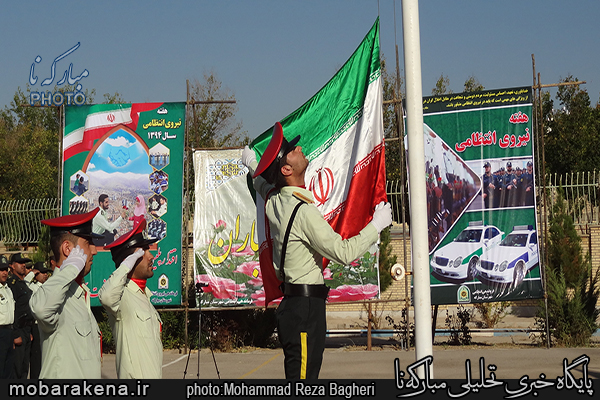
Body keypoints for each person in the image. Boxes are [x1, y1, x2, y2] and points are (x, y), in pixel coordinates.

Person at [241, 122, 391, 379]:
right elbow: (343, 252)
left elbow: (262, 186)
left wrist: (253, 165)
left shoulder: (276, 202)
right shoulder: (304, 213)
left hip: (297, 306)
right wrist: (375, 226)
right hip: (304, 311)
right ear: (287, 169)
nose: (298, 147)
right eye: (291, 150)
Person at [29, 208, 103, 379]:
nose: (94, 251)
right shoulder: (56, 297)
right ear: (68, 249)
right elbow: (40, 308)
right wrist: (70, 269)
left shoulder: (77, 293)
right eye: (88, 243)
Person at [99, 219, 162, 379]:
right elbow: (106, 297)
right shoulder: (123, 297)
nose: (151, 256)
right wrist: (125, 267)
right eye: (144, 251)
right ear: (131, 259)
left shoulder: (143, 295)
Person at [8, 253, 34, 379]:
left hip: (26, 329)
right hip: (18, 331)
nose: (23, 265)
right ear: (12, 266)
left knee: (24, 368)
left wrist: (28, 331)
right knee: (16, 369)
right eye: (20, 263)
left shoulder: (22, 283)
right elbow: (12, 311)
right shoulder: (12, 284)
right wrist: (15, 334)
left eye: (24, 263)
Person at [23, 261, 51, 380]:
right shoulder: (31, 287)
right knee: (36, 358)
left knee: (45, 357)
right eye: (42, 273)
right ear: (35, 275)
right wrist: (31, 275)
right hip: (35, 326)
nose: (45, 275)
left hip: (46, 325)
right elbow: (23, 285)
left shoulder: (47, 287)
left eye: (46, 272)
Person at [0, 255, 15, 379]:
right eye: (1, 270)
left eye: (6, 269)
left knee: (9, 369)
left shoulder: (8, 289)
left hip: (9, 332)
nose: (4, 273)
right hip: (0, 332)